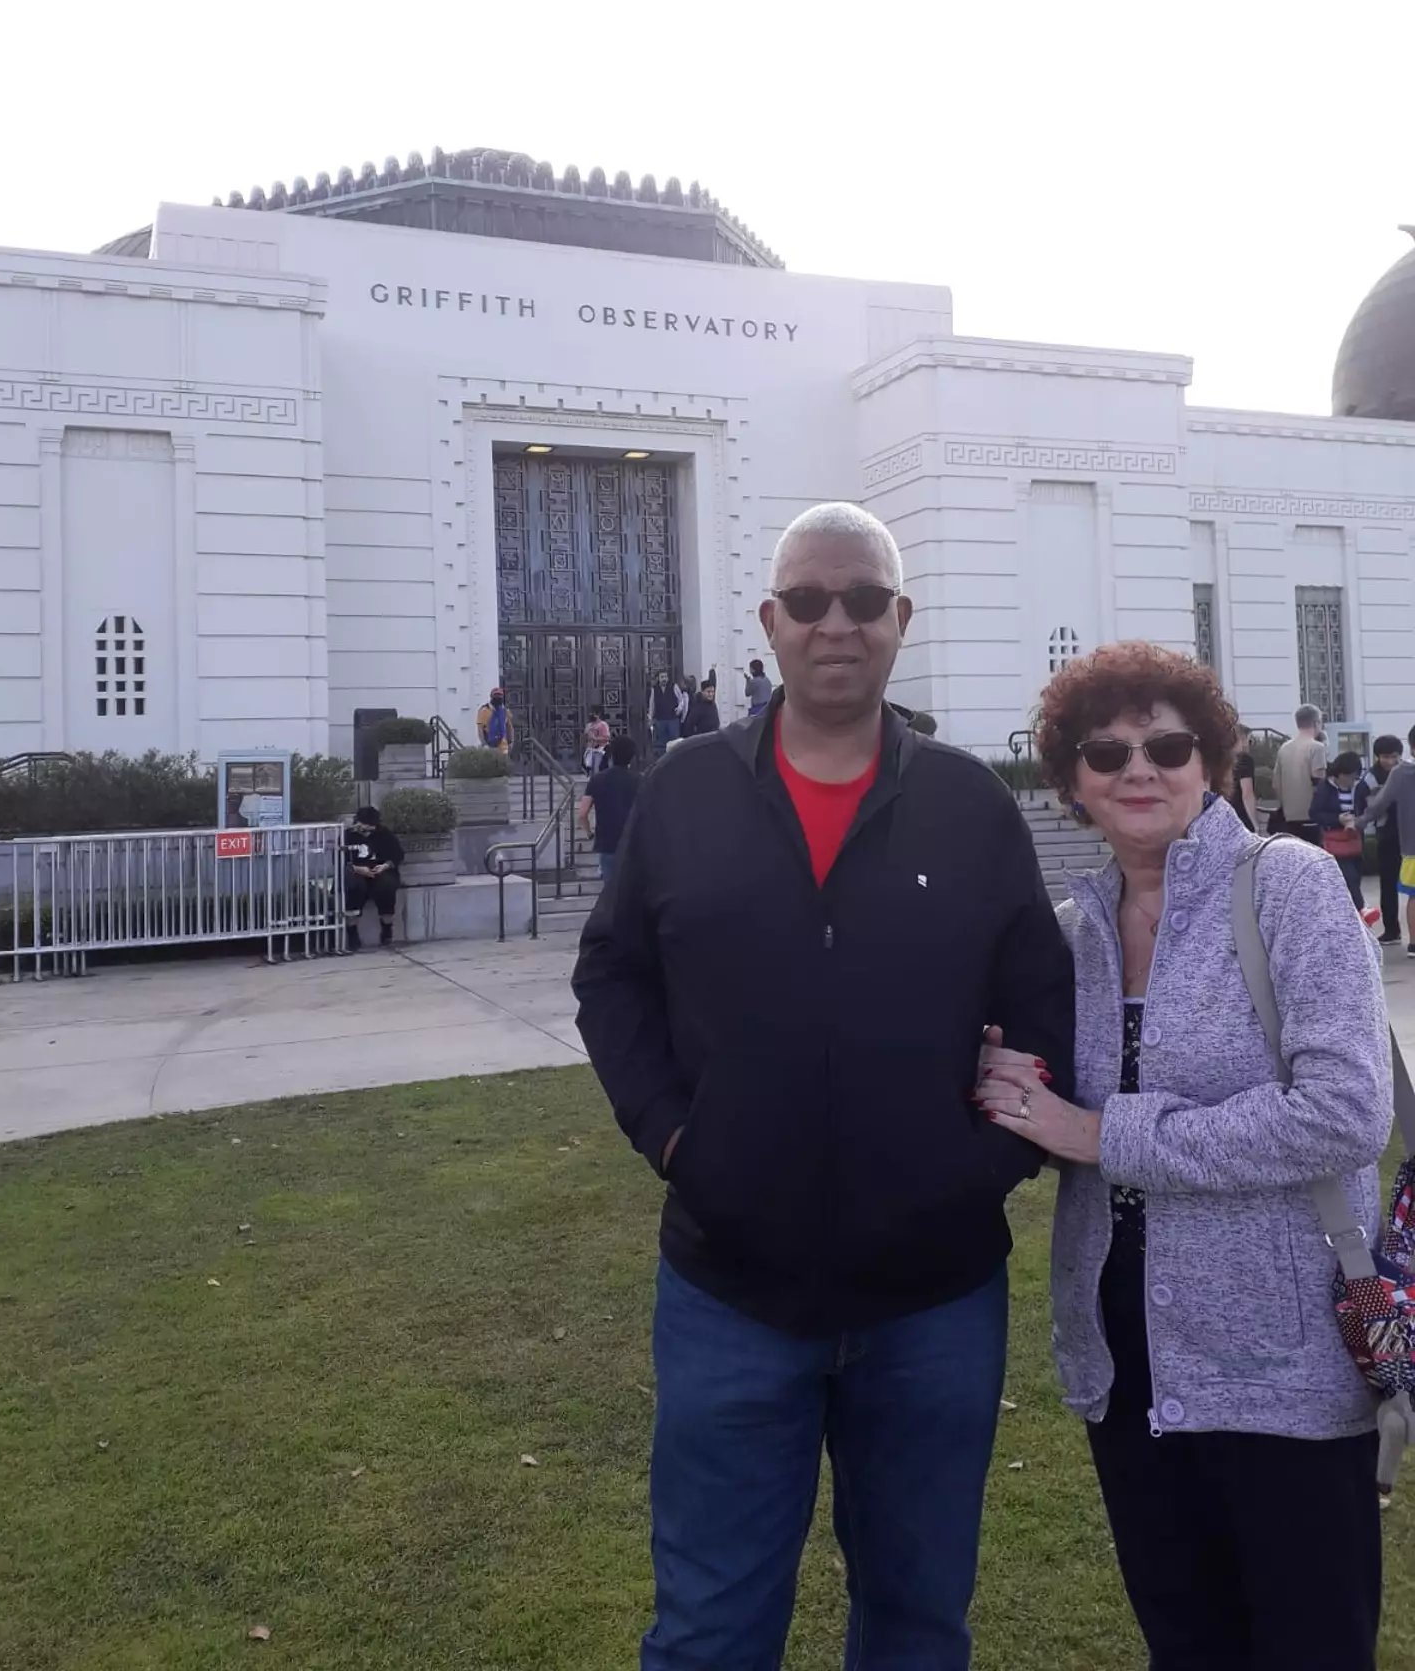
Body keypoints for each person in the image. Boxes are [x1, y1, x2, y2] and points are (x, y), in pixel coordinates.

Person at [573, 499, 1074, 1671]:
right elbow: (612, 980)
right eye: (809, 601)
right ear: (770, 623)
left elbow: (1045, 1004)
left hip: (934, 1301)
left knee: (915, 1622)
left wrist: (984, 1166)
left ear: (902, 620)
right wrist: (671, 1139)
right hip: (730, 1295)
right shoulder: (687, 791)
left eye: (863, 601)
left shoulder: (966, 805)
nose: (835, 624)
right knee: (710, 1630)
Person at [975, 642, 1390, 1670]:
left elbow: (1344, 1112)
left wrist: (1100, 1134)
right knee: (1186, 1642)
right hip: (1127, 1356)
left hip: (1283, 1354)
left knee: (1307, 1644)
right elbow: (1036, 1086)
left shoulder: (1284, 884)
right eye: (1105, 752)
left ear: (1207, 758)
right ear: (1071, 780)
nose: (1138, 770)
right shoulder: (1076, 935)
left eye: (1166, 744)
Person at [1355, 723, 1415, 958]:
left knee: (1414, 895)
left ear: (1410, 748)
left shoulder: (1401, 774)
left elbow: (1379, 804)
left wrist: (1358, 822)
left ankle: (1413, 944)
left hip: (1411, 845)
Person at [578, 733, 640, 882]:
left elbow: (582, 814)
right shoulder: (640, 780)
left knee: (610, 891)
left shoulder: (597, 780)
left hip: (607, 842)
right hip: (633, 843)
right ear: (632, 757)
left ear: (611, 755)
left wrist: (590, 833)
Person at [343, 805, 405, 950]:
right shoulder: (348, 835)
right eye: (363, 829)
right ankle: (352, 933)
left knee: (387, 885)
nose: (366, 833)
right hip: (357, 872)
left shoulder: (385, 834)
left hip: (380, 870)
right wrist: (358, 869)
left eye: (370, 829)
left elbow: (397, 855)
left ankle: (387, 929)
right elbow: (341, 860)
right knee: (355, 887)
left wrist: (384, 866)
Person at [1310, 751, 1367, 906]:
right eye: (1347, 776)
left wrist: (1358, 820)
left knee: (1355, 877)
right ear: (1339, 773)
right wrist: (1338, 819)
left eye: (1354, 776)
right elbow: (1315, 813)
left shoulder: (1360, 786)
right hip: (1335, 841)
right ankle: (1360, 912)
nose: (1350, 780)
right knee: (1349, 880)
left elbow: (1368, 808)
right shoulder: (1326, 787)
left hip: (1355, 839)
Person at [1270, 703, 1326, 842]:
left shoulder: (1284, 748)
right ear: (1316, 722)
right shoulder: (1317, 747)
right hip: (1311, 817)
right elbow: (1319, 782)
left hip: (1288, 818)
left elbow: (1276, 784)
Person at [1228, 722, 1257, 830]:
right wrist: (1255, 824)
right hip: (1241, 816)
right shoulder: (1244, 759)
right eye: (1249, 740)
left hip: (1226, 815)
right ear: (1242, 739)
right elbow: (1247, 793)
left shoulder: (1223, 759)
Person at [648, 671, 682, 756]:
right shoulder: (654, 689)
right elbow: (652, 704)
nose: (664, 679)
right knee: (661, 743)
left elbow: (681, 700)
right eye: (662, 677)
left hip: (672, 719)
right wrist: (650, 718)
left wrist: (679, 709)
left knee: (674, 742)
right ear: (658, 678)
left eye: (665, 677)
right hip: (660, 719)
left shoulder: (674, 686)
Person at [477, 685, 512, 753]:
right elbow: (480, 728)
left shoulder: (505, 711)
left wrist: (510, 741)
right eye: (496, 695)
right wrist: (484, 744)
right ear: (491, 697)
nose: (498, 697)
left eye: (500, 695)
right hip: (489, 743)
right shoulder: (484, 710)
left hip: (503, 745)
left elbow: (509, 727)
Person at [583, 704, 611, 774]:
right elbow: (585, 738)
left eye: (593, 713)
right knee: (590, 770)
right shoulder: (589, 725)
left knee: (597, 769)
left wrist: (595, 738)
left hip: (599, 750)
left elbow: (606, 738)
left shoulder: (603, 725)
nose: (591, 715)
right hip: (590, 750)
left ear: (598, 714)